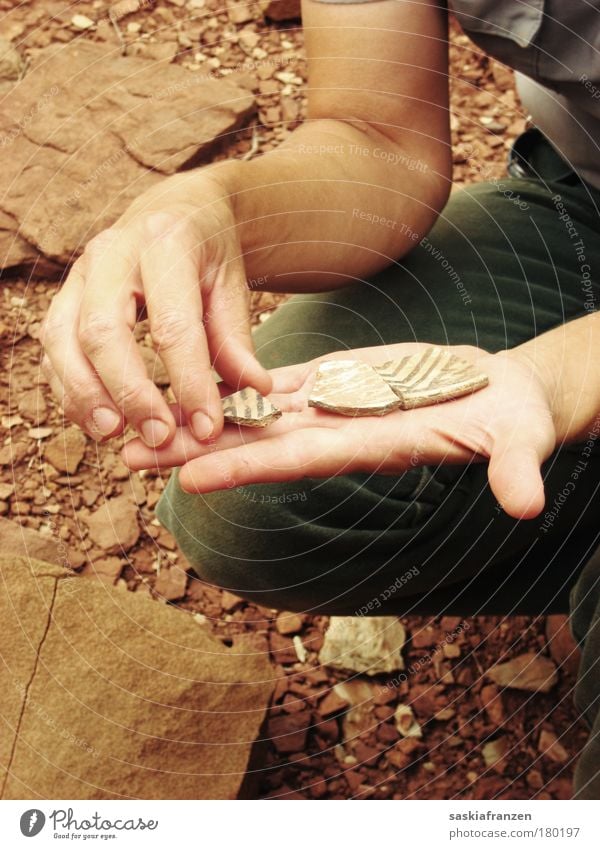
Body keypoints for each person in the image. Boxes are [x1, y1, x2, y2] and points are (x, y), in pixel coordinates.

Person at [41, 1, 600, 796]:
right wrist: (208, 209)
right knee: (259, 503)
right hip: (585, 200)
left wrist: (566, 377)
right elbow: (378, 139)